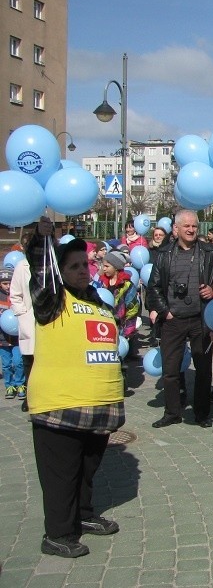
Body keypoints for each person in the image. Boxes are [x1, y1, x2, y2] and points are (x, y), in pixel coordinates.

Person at [26, 217, 125, 558]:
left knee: (86, 469)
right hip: (60, 407)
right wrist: (43, 239)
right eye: (74, 266)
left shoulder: (96, 300)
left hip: (98, 408)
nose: (83, 270)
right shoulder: (51, 299)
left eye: (86, 264)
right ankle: (57, 534)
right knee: (61, 475)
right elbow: (41, 271)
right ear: (60, 271)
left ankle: (83, 517)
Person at [147, 209, 213, 429]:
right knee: (170, 370)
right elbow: (154, 287)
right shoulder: (164, 254)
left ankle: (202, 414)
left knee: (204, 370)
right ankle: (172, 412)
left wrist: (212, 290)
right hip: (173, 319)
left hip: (201, 319)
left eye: (194, 226)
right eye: (186, 226)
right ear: (176, 229)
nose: (191, 230)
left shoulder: (209, 252)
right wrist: (165, 312)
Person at [10, 254, 34, 412]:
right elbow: (15, 295)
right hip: (30, 320)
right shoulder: (22, 266)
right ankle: (30, 397)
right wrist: (23, 314)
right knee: (29, 361)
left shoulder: (54, 263)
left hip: (50, 320)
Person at [99, 251, 140, 340]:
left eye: (107, 266)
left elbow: (132, 309)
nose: (104, 269)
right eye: (103, 266)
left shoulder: (127, 285)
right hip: (103, 327)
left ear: (116, 267)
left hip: (121, 329)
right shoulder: (101, 283)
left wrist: (127, 332)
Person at [0, 269, 24, 400]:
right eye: (4, 283)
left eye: (9, 283)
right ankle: (9, 385)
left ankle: (20, 384)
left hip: (16, 337)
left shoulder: (18, 295)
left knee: (18, 361)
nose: (8, 286)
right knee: (6, 364)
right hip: (2, 338)